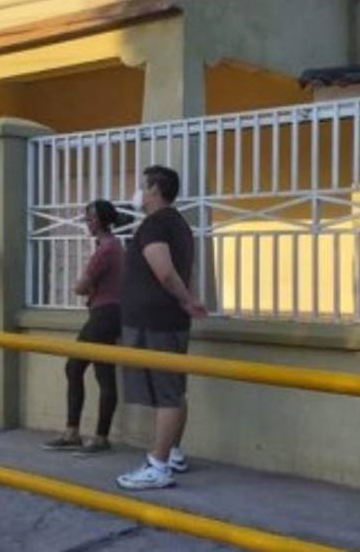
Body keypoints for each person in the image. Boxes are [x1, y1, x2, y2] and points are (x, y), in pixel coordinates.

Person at [115, 165, 206, 491]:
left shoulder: (155, 224)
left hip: (155, 322)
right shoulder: (179, 224)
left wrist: (186, 301)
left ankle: (158, 465)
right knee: (174, 390)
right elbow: (186, 271)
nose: (138, 192)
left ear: (154, 190)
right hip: (167, 320)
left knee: (167, 393)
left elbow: (165, 271)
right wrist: (189, 299)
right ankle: (173, 452)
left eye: (143, 186)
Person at [43, 200, 124, 455]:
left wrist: (86, 288)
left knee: (77, 367)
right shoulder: (114, 247)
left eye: (90, 218)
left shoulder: (106, 250)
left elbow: (80, 286)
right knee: (101, 372)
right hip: (111, 314)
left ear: (100, 221)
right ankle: (94, 435)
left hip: (102, 315)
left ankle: (81, 434)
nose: (87, 223)